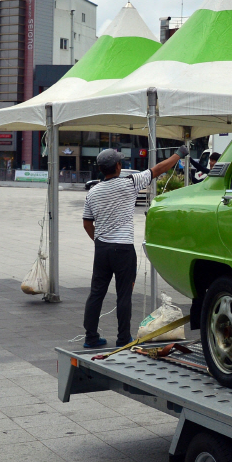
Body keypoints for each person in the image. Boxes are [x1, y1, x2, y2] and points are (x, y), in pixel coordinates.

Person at [82, 146, 187, 349]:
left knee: (96, 293)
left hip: (102, 249)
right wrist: (179, 154)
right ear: (118, 166)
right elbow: (158, 169)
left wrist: (99, 241)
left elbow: (87, 223)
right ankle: (123, 338)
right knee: (124, 295)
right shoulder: (130, 183)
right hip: (123, 250)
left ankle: (91, 337)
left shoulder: (93, 192)